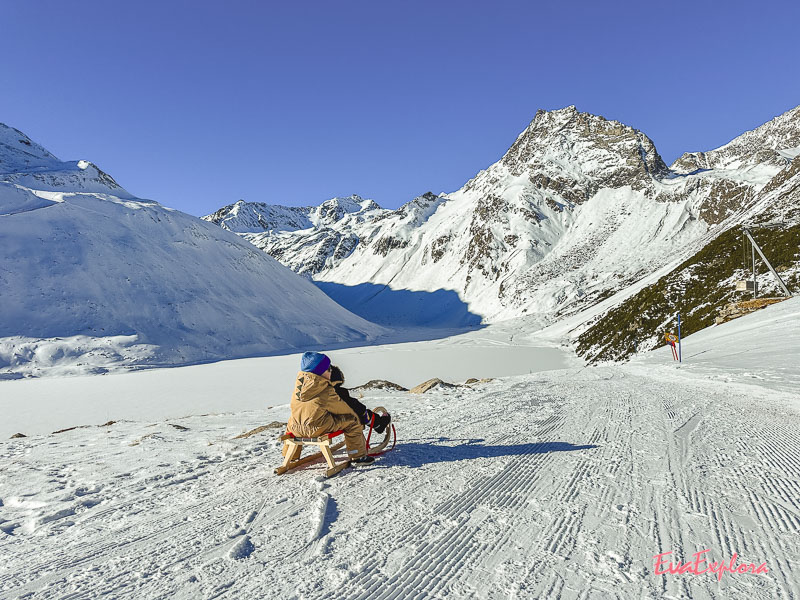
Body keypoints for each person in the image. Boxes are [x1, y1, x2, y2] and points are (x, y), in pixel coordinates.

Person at [288, 351, 374, 464]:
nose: (331, 371)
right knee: (352, 421)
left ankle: (291, 456)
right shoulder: (326, 390)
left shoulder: (298, 387)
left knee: (292, 421)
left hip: (295, 428)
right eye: (328, 369)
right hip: (318, 428)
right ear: (321, 372)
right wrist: (358, 417)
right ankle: (358, 456)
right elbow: (342, 409)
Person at [329, 365, 391, 434]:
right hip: (335, 423)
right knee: (359, 412)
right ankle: (378, 425)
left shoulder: (320, 392)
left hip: (319, 424)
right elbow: (356, 408)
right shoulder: (339, 394)